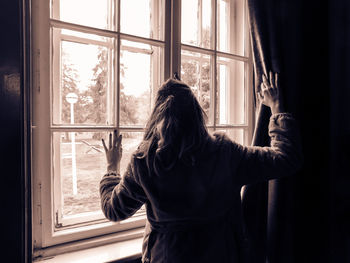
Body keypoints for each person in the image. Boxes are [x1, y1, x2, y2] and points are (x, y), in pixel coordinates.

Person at [100, 72, 302, 263]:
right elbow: (285, 159)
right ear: (197, 115)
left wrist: (111, 167)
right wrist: (276, 107)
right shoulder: (225, 154)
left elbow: (114, 210)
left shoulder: (145, 162)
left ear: (156, 117)